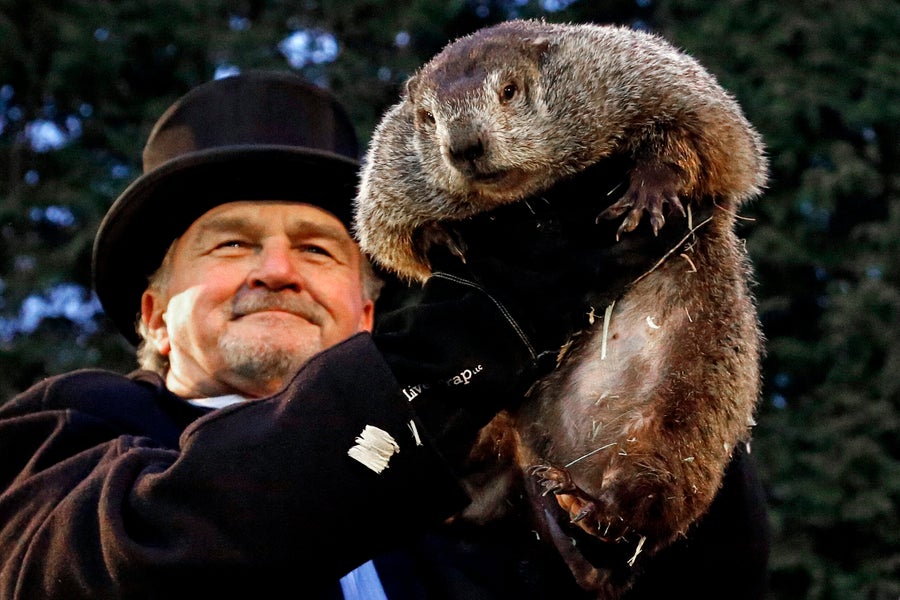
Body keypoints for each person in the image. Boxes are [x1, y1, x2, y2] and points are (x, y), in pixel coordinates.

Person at [0, 72, 769, 600]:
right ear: (152, 315)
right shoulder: (66, 434)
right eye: (230, 244)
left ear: (365, 314)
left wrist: (654, 352)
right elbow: (109, 567)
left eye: (316, 248)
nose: (276, 270)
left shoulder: (472, 483)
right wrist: (456, 352)